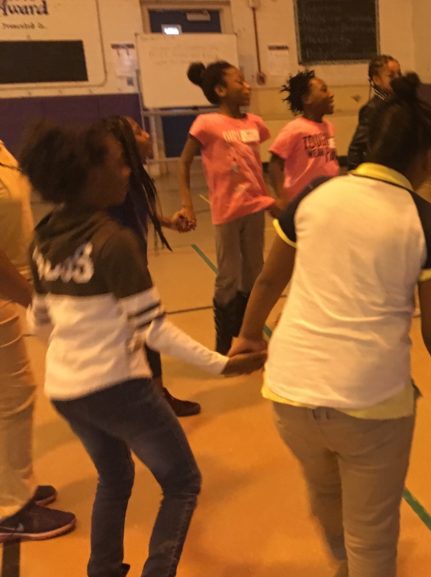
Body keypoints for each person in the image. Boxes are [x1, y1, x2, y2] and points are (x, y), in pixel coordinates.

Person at [229, 74, 431, 577]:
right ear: (424, 156)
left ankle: (342, 563)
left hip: (290, 395)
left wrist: (247, 336)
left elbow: (268, 280)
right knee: (373, 536)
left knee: (327, 494)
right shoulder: (428, 222)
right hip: (370, 405)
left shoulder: (314, 197)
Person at [20, 121, 265, 577]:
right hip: (118, 389)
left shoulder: (43, 238)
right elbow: (155, 331)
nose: (128, 173)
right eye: (118, 164)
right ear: (89, 175)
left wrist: (76, 353)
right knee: (182, 481)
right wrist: (222, 366)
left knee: (114, 477)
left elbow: (39, 322)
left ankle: (104, 570)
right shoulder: (114, 242)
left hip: (67, 390)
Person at [0, 139, 76, 542]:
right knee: (13, 398)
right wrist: (32, 299)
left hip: (10, 287)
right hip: (4, 290)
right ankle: (9, 509)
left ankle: (13, 485)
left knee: (9, 396)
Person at [179, 61, 281, 354]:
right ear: (221, 90)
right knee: (228, 276)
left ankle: (247, 334)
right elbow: (184, 162)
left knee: (254, 273)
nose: (246, 85)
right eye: (239, 81)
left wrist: (271, 198)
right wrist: (187, 203)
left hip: (254, 208)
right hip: (226, 211)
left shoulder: (255, 124)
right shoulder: (206, 125)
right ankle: (222, 344)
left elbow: (255, 169)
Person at [103, 116, 201, 417]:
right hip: (120, 274)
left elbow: (141, 210)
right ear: (123, 146)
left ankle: (150, 395)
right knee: (143, 330)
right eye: (138, 132)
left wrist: (169, 222)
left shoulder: (132, 176)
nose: (147, 135)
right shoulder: (109, 182)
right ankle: (149, 399)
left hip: (133, 268)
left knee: (143, 332)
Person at [269, 70, 341, 201]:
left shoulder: (328, 126)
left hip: (327, 196)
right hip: (302, 199)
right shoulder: (294, 129)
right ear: (307, 99)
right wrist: (282, 197)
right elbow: (274, 164)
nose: (331, 94)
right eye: (324, 90)